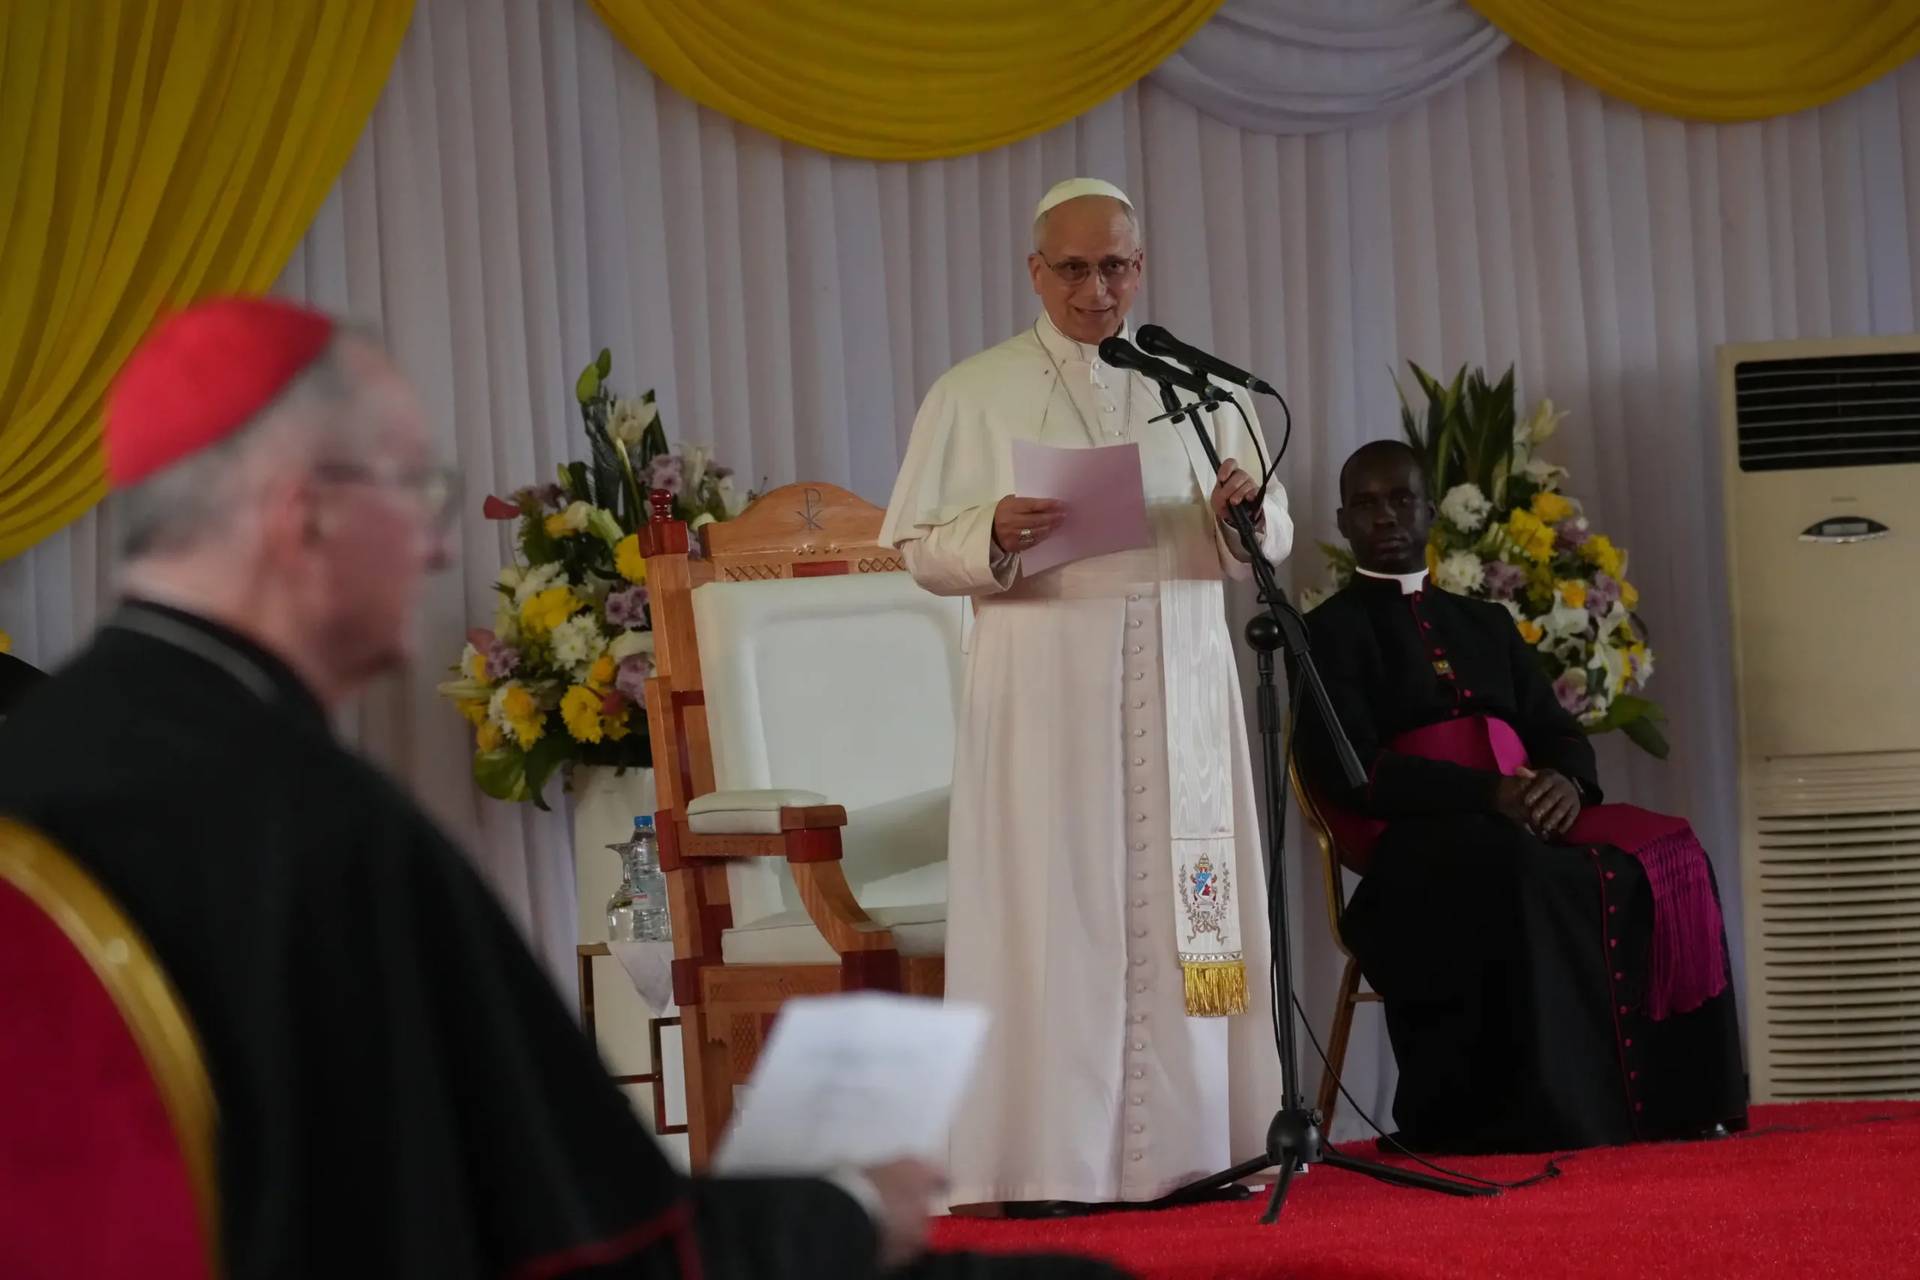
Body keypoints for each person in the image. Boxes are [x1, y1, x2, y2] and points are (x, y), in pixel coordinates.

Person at [0, 296, 1128, 1280]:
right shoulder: (329, 839)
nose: (441, 550)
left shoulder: (30, 772)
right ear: (309, 511)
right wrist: (844, 1206)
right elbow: (603, 1249)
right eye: (420, 489)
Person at [880, 179, 1292, 1214]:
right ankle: (1045, 1159)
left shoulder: (1198, 391)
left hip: (1185, 674)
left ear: (1140, 269)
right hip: (1047, 685)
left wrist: (1248, 517)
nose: (1096, 287)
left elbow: (1274, 530)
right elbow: (916, 545)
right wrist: (994, 534)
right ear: (1035, 272)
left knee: (1192, 911)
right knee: (1055, 910)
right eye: (1073, 268)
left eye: (1115, 265)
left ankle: (1203, 1144)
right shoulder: (973, 391)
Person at [1296, 439, 1748, 1154]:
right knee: (1514, 868)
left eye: (1401, 499)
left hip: (1520, 812)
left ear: (1429, 512)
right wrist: (1489, 794)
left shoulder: (1485, 624)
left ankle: (1684, 1101)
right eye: (1368, 504)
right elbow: (1356, 773)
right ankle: (1550, 1116)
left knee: (1667, 853)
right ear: (1345, 520)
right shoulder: (1322, 635)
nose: (1386, 516)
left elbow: (1557, 734)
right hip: (1412, 837)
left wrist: (1566, 786)